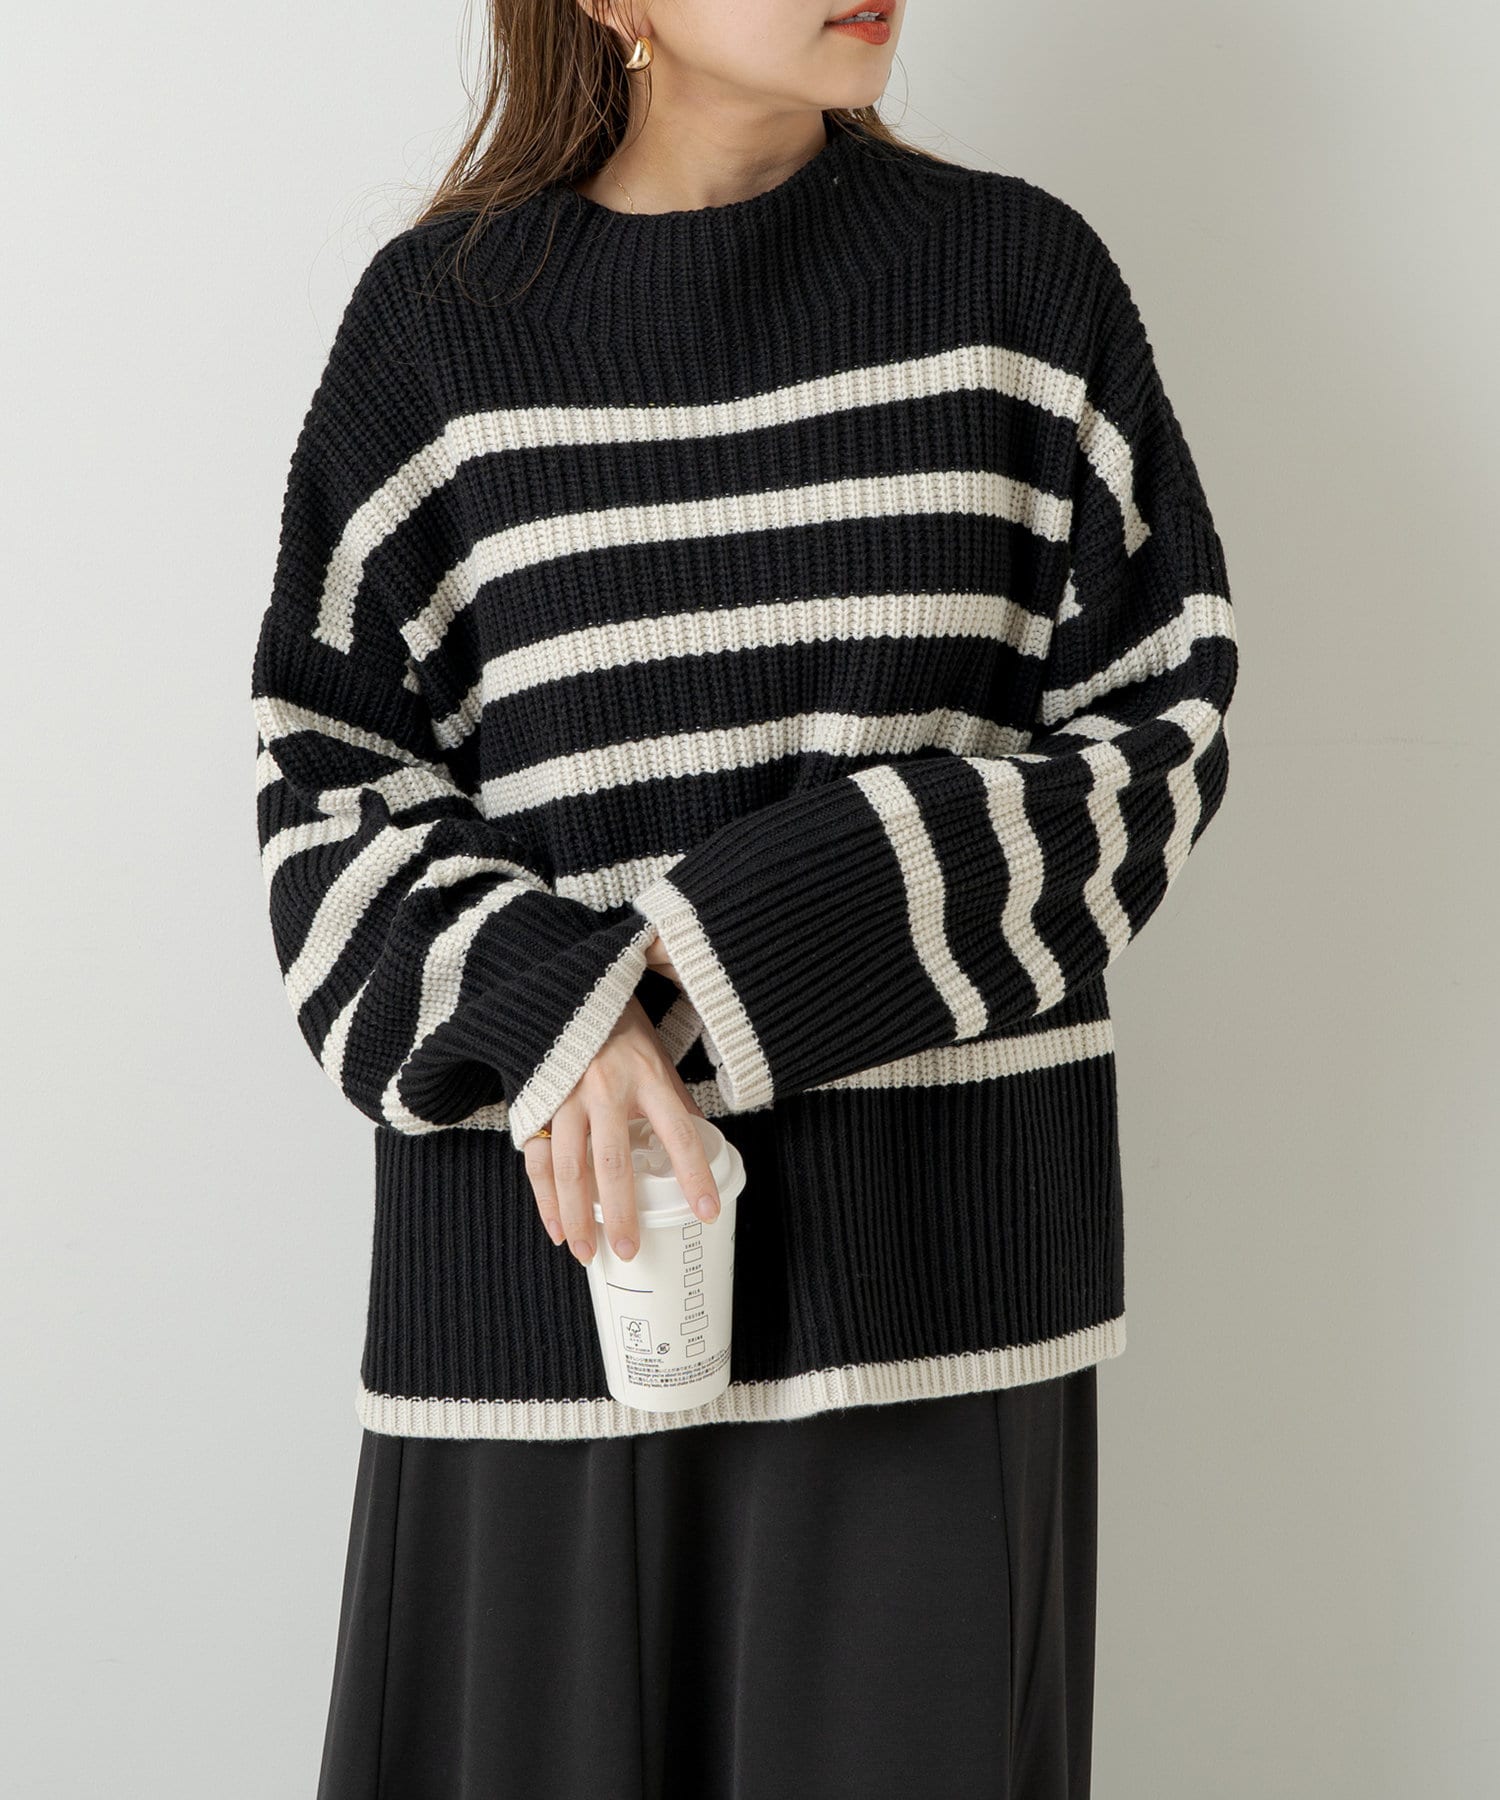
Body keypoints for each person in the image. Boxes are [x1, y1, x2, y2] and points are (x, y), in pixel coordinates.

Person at [250, 3, 1238, 1795]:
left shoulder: (1018, 284)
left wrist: (721, 959)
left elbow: (1153, 736)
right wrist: (562, 1015)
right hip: (544, 1309)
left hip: (929, 1308)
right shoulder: (439, 329)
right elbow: (326, 791)